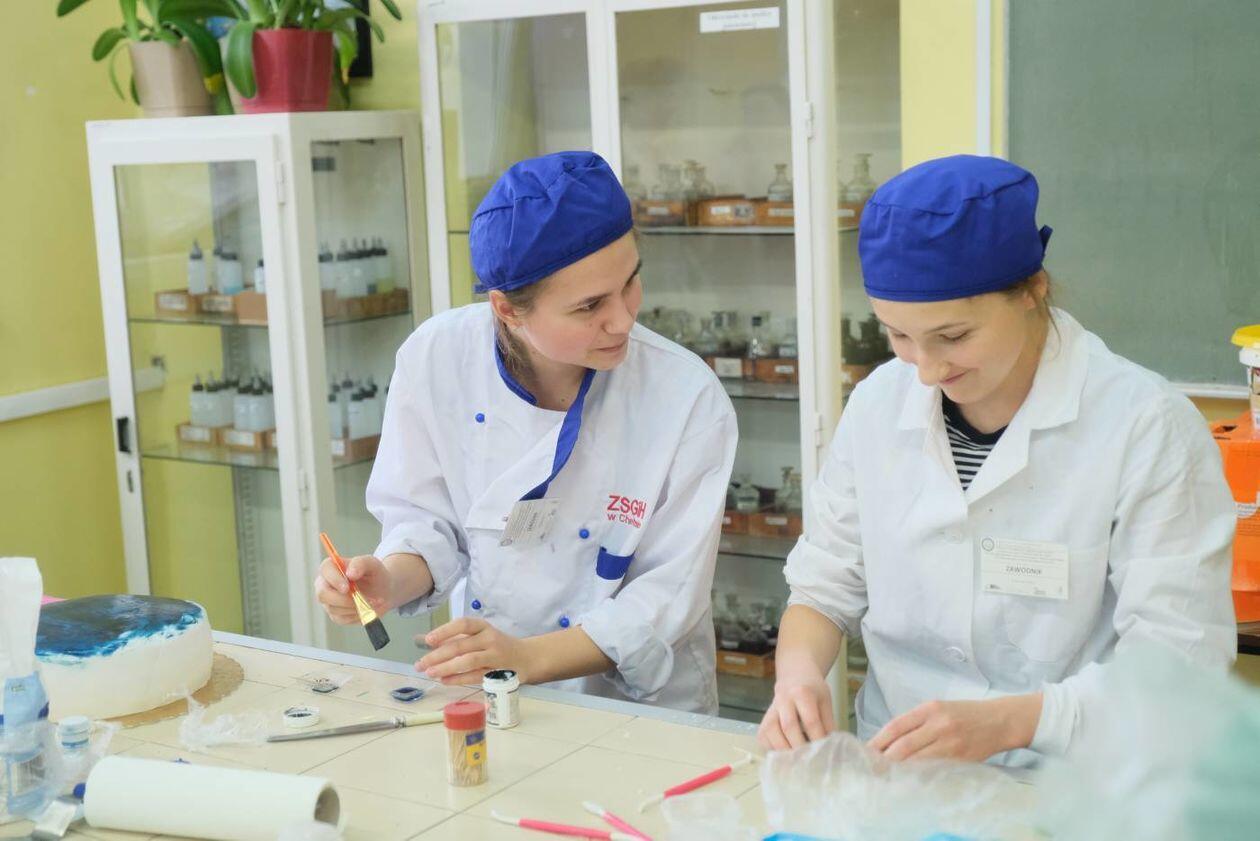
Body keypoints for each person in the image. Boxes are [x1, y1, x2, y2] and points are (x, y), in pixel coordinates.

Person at [759, 155, 1236, 764]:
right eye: (898, 336)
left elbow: (1181, 665)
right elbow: (824, 585)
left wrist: (1016, 722)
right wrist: (798, 674)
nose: (926, 370)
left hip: (1071, 779)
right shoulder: (879, 402)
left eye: (954, 337)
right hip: (900, 769)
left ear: (1032, 289)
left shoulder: (1147, 426)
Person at [315, 151, 737, 714]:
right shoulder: (436, 359)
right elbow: (428, 524)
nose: (624, 318)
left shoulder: (685, 395)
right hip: (492, 689)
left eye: (631, 282)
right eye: (589, 306)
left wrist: (528, 658)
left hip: (641, 709)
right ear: (507, 310)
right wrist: (387, 581)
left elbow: (668, 594)